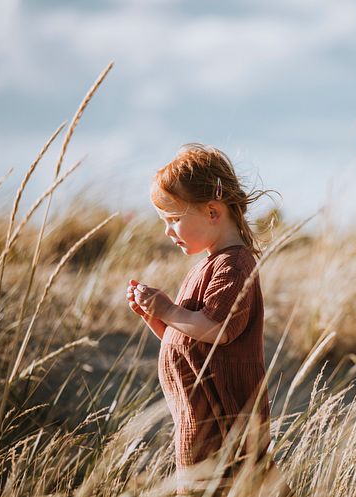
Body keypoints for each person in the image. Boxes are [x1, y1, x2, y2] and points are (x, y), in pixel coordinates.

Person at [125, 143, 292, 496]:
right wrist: (155, 317)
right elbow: (191, 342)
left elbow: (216, 330)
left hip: (225, 428)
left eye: (174, 219)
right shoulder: (207, 264)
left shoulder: (234, 266)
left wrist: (169, 310)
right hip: (197, 426)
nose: (168, 231)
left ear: (213, 212)